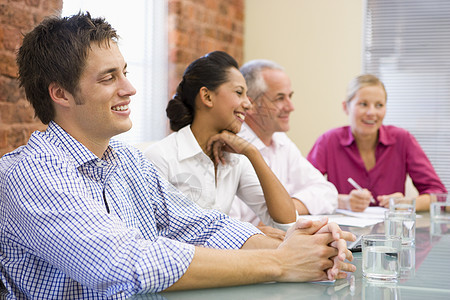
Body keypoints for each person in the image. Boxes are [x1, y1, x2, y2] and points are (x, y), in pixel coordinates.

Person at [0, 12, 355, 299]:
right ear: (61, 94)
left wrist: (307, 249)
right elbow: (126, 264)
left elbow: (203, 225)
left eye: (125, 72)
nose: (130, 88)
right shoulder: (30, 174)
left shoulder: (127, 161)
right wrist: (279, 261)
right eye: (109, 78)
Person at [145, 51, 298, 233]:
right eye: (239, 93)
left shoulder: (236, 158)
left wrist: (253, 153)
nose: (248, 104)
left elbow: (287, 220)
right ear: (207, 97)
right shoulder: (160, 157)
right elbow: (157, 236)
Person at [307, 74, 447, 212]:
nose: (371, 112)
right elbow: (303, 191)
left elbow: (438, 194)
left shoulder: (403, 139)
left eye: (379, 105)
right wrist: (343, 201)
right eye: (363, 104)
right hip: (341, 233)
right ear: (346, 107)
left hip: (391, 232)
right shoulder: (328, 141)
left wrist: (408, 203)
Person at [228, 59, 338, 230]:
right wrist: (276, 219)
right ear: (250, 105)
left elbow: (327, 192)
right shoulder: (232, 148)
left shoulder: (281, 141)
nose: (291, 106)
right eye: (280, 98)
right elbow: (228, 226)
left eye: (290, 96)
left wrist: (283, 211)